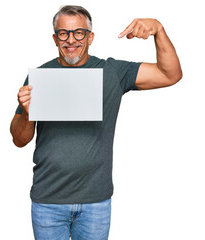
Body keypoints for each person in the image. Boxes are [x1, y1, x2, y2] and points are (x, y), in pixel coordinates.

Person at [10, 5, 182, 240]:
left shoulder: (111, 71)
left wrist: (159, 30)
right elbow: (19, 140)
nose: (71, 40)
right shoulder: (39, 77)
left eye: (79, 32)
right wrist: (29, 113)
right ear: (55, 38)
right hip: (48, 202)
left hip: (96, 203)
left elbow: (170, 74)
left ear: (90, 37)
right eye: (63, 33)